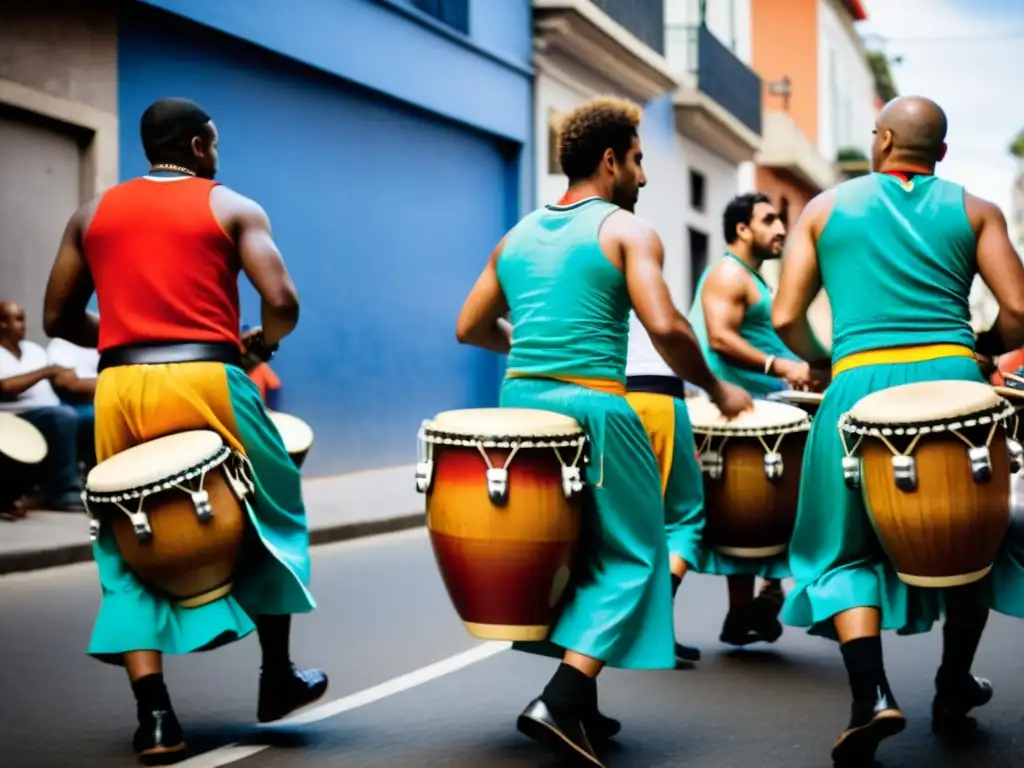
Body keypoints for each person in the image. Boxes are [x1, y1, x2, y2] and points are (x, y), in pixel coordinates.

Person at [456, 96, 751, 767]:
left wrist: (533, 359)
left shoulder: (518, 234)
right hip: (595, 405)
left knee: (573, 553)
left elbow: (469, 326)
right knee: (636, 555)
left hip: (520, 408)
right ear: (611, 159)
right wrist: (715, 385)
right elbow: (668, 325)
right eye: (640, 162)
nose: (644, 178)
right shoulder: (625, 231)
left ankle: (583, 708)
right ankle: (560, 699)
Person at [41, 97, 327, 765]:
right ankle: (276, 675)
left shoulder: (92, 214)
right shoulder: (231, 206)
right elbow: (281, 303)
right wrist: (256, 342)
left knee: (125, 527)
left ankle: (157, 719)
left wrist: (123, 337)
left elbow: (57, 316)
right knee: (270, 503)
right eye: (215, 143)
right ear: (200, 145)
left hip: (121, 387)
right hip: (208, 379)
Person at [772, 95, 1024, 766]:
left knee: (843, 550)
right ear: (940, 153)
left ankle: (871, 696)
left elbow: (786, 314)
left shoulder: (824, 210)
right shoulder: (977, 210)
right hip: (958, 385)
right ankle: (951, 685)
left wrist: (827, 359)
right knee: (972, 542)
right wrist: (982, 346)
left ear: (881, 141)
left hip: (858, 385)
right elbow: (1021, 310)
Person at [686, 194, 829, 646]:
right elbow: (721, 338)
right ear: (742, 229)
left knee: (748, 517)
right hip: (744, 413)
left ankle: (743, 613)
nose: (781, 229)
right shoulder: (730, 273)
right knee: (806, 502)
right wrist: (781, 367)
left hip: (763, 414)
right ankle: (808, 597)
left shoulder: (749, 278)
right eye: (769, 220)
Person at [623, 313, 706, 665]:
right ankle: (652, 622)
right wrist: (714, 387)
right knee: (685, 518)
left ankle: (649, 630)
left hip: (613, 404)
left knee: (627, 523)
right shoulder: (641, 276)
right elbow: (671, 329)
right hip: (658, 401)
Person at [0, 300, 86, 512]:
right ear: (2, 323)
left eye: (23, 318)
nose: (23, 324)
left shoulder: (33, 350)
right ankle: (63, 492)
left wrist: (68, 378)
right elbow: (7, 386)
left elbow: (57, 377)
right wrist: (46, 371)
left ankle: (97, 487)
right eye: (17, 319)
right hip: (16, 418)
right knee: (63, 417)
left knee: (89, 419)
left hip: (52, 412)